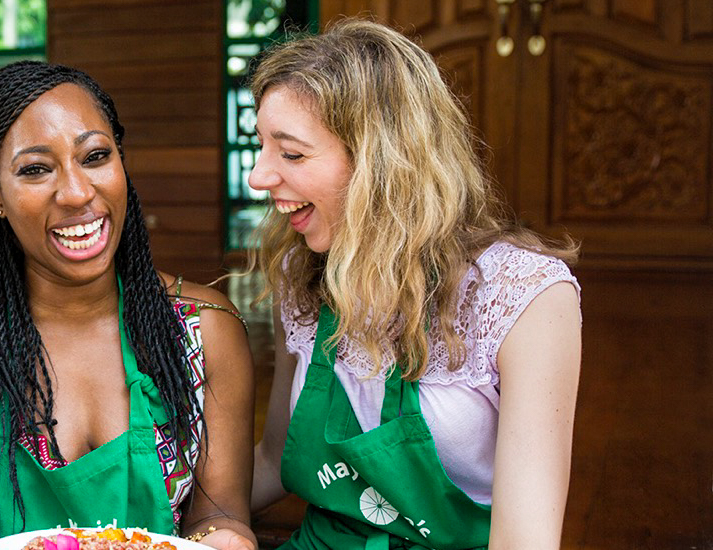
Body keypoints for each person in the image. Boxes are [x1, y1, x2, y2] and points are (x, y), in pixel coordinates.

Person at [247, 20, 582, 549]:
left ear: (382, 164)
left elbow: (524, 542)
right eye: (261, 145)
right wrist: (167, 521)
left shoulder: (524, 297)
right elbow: (272, 457)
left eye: (290, 153)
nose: (258, 177)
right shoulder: (301, 276)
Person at [0, 61, 257, 550]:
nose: (77, 192)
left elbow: (219, 518)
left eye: (95, 156)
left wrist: (227, 539)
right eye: (36, 169)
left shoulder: (204, 332)